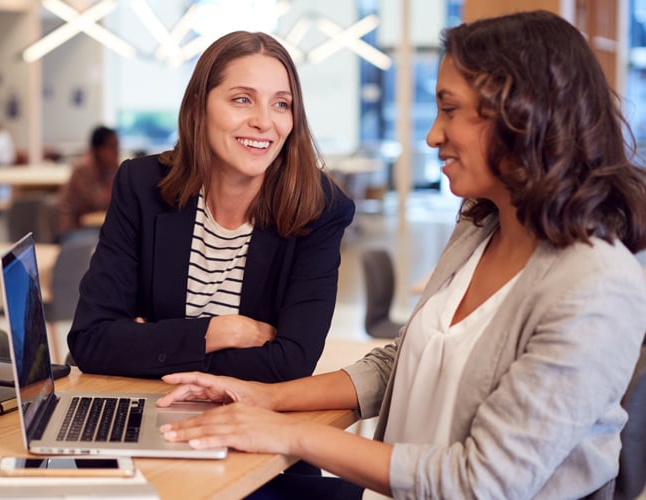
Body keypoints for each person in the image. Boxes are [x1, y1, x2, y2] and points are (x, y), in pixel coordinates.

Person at [157, 11, 646, 499]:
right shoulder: (481, 225)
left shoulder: (598, 285)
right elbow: (404, 363)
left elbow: (482, 481)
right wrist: (264, 398)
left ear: (523, 114)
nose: (433, 135)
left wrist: (291, 433)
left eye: (449, 109)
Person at [66, 31, 355, 382]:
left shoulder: (320, 208)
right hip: (148, 408)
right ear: (198, 107)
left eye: (281, 104)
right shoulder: (142, 186)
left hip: (250, 420)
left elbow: (290, 362)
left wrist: (151, 342)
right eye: (242, 100)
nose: (264, 121)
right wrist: (219, 333)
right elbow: (91, 340)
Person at [55, 125, 121, 237]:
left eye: (117, 147)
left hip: (93, 226)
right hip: (73, 228)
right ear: (99, 149)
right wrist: (117, 171)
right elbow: (100, 202)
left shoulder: (107, 168)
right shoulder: (83, 169)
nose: (116, 152)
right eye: (112, 147)